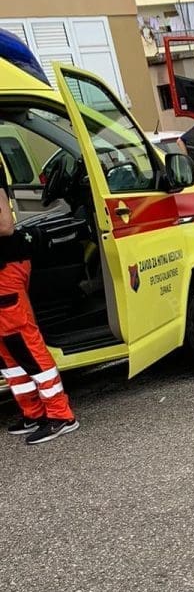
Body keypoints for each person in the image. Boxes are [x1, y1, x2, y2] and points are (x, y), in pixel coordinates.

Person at [0, 156, 79, 445]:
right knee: (7, 352)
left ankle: (60, 415)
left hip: (6, 267)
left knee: (23, 342)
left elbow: (5, 225)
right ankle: (33, 413)